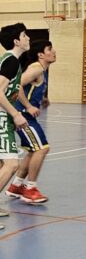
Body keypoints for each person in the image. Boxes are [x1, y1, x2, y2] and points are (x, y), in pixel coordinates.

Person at [8, 38, 57, 204]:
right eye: (50, 49)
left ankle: (16, 186)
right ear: (41, 54)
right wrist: (28, 106)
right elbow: (18, 85)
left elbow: (31, 88)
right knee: (42, 149)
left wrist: (43, 98)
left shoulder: (43, 69)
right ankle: (30, 189)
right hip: (23, 116)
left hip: (26, 116)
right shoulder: (36, 68)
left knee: (33, 150)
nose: (54, 51)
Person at [0, 23, 33, 227]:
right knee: (12, 164)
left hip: (4, 116)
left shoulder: (11, 61)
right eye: (24, 35)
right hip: (1, 117)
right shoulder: (10, 61)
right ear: (16, 41)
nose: (28, 38)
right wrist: (15, 114)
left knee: (3, 165)